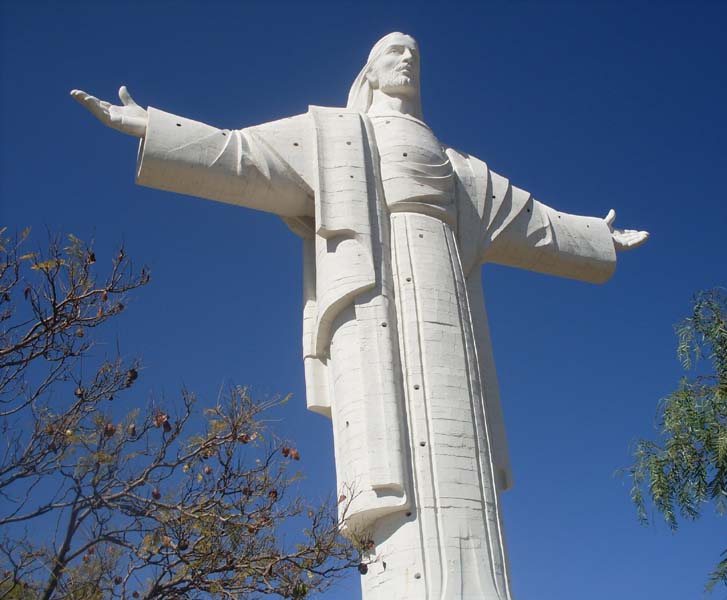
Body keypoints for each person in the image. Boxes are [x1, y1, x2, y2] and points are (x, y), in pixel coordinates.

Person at [72, 32, 648, 600]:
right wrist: (153, 127)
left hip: (446, 301)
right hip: (377, 307)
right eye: (393, 52)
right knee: (390, 467)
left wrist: (598, 237)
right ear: (369, 73)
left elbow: (533, 221)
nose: (407, 60)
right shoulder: (335, 135)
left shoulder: (461, 171)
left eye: (415, 55)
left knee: (463, 461)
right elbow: (242, 154)